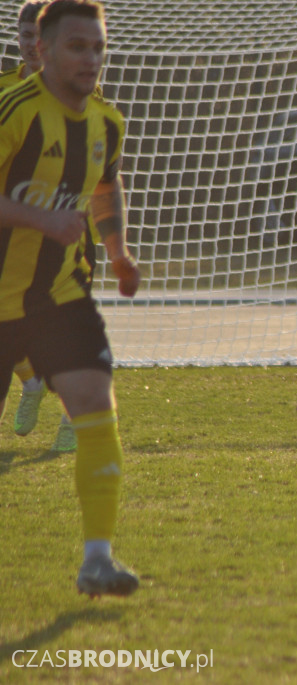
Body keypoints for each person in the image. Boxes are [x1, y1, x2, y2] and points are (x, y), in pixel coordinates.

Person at [0, 0, 142, 597]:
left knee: (95, 408)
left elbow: (105, 187)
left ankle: (97, 560)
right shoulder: (14, 109)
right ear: (44, 50)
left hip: (61, 294)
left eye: (98, 47)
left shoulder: (107, 123)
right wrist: (38, 217)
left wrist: (116, 251)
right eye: (77, 47)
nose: (90, 59)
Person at [0, 0, 78, 453]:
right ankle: (30, 384)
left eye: (38, 37)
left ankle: (70, 421)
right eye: (23, 37)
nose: (30, 45)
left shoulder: (75, 94)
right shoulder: (5, 90)